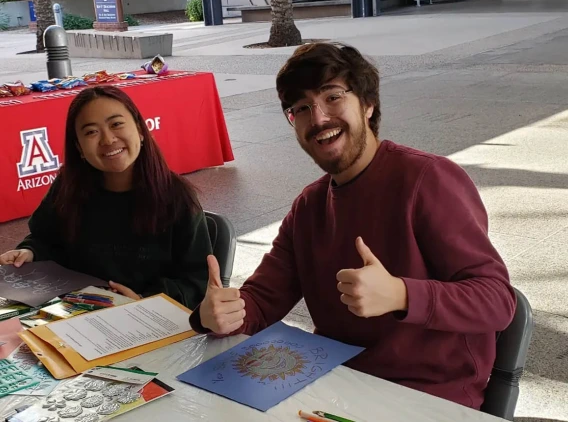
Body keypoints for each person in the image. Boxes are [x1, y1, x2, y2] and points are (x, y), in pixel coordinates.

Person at [190, 43, 518, 409]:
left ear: (367, 104)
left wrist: (401, 294)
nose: (317, 119)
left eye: (332, 97)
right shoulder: (309, 206)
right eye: (300, 108)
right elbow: (262, 301)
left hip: (429, 398)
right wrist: (221, 314)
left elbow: (498, 300)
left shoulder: (428, 180)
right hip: (333, 387)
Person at [0, 86, 212, 310]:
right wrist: (29, 252)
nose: (108, 140)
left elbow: (197, 283)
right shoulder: (69, 187)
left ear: (141, 130)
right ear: (79, 147)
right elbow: (45, 238)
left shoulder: (177, 198)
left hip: (147, 320)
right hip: (75, 314)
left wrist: (143, 299)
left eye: (116, 124)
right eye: (91, 132)